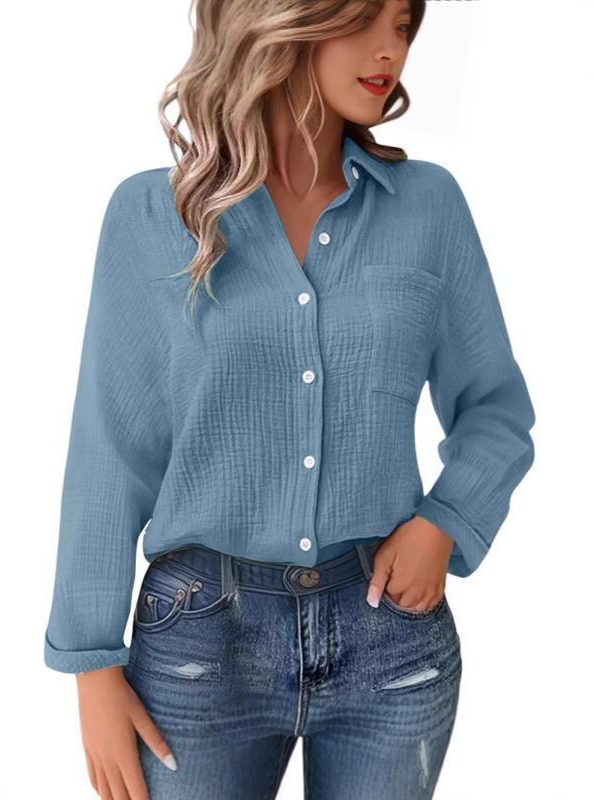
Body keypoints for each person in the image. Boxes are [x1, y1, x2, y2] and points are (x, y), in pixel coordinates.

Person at [43, 0, 536, 797]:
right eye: (363, 18)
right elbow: (111, 449)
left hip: (390, 639)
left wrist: (444, 522)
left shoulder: (428, 208)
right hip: (199, 640)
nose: (390, 49)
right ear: (282, 18)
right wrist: (91, 665)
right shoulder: (151, 215)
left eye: (403, 25)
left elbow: (494, 410)